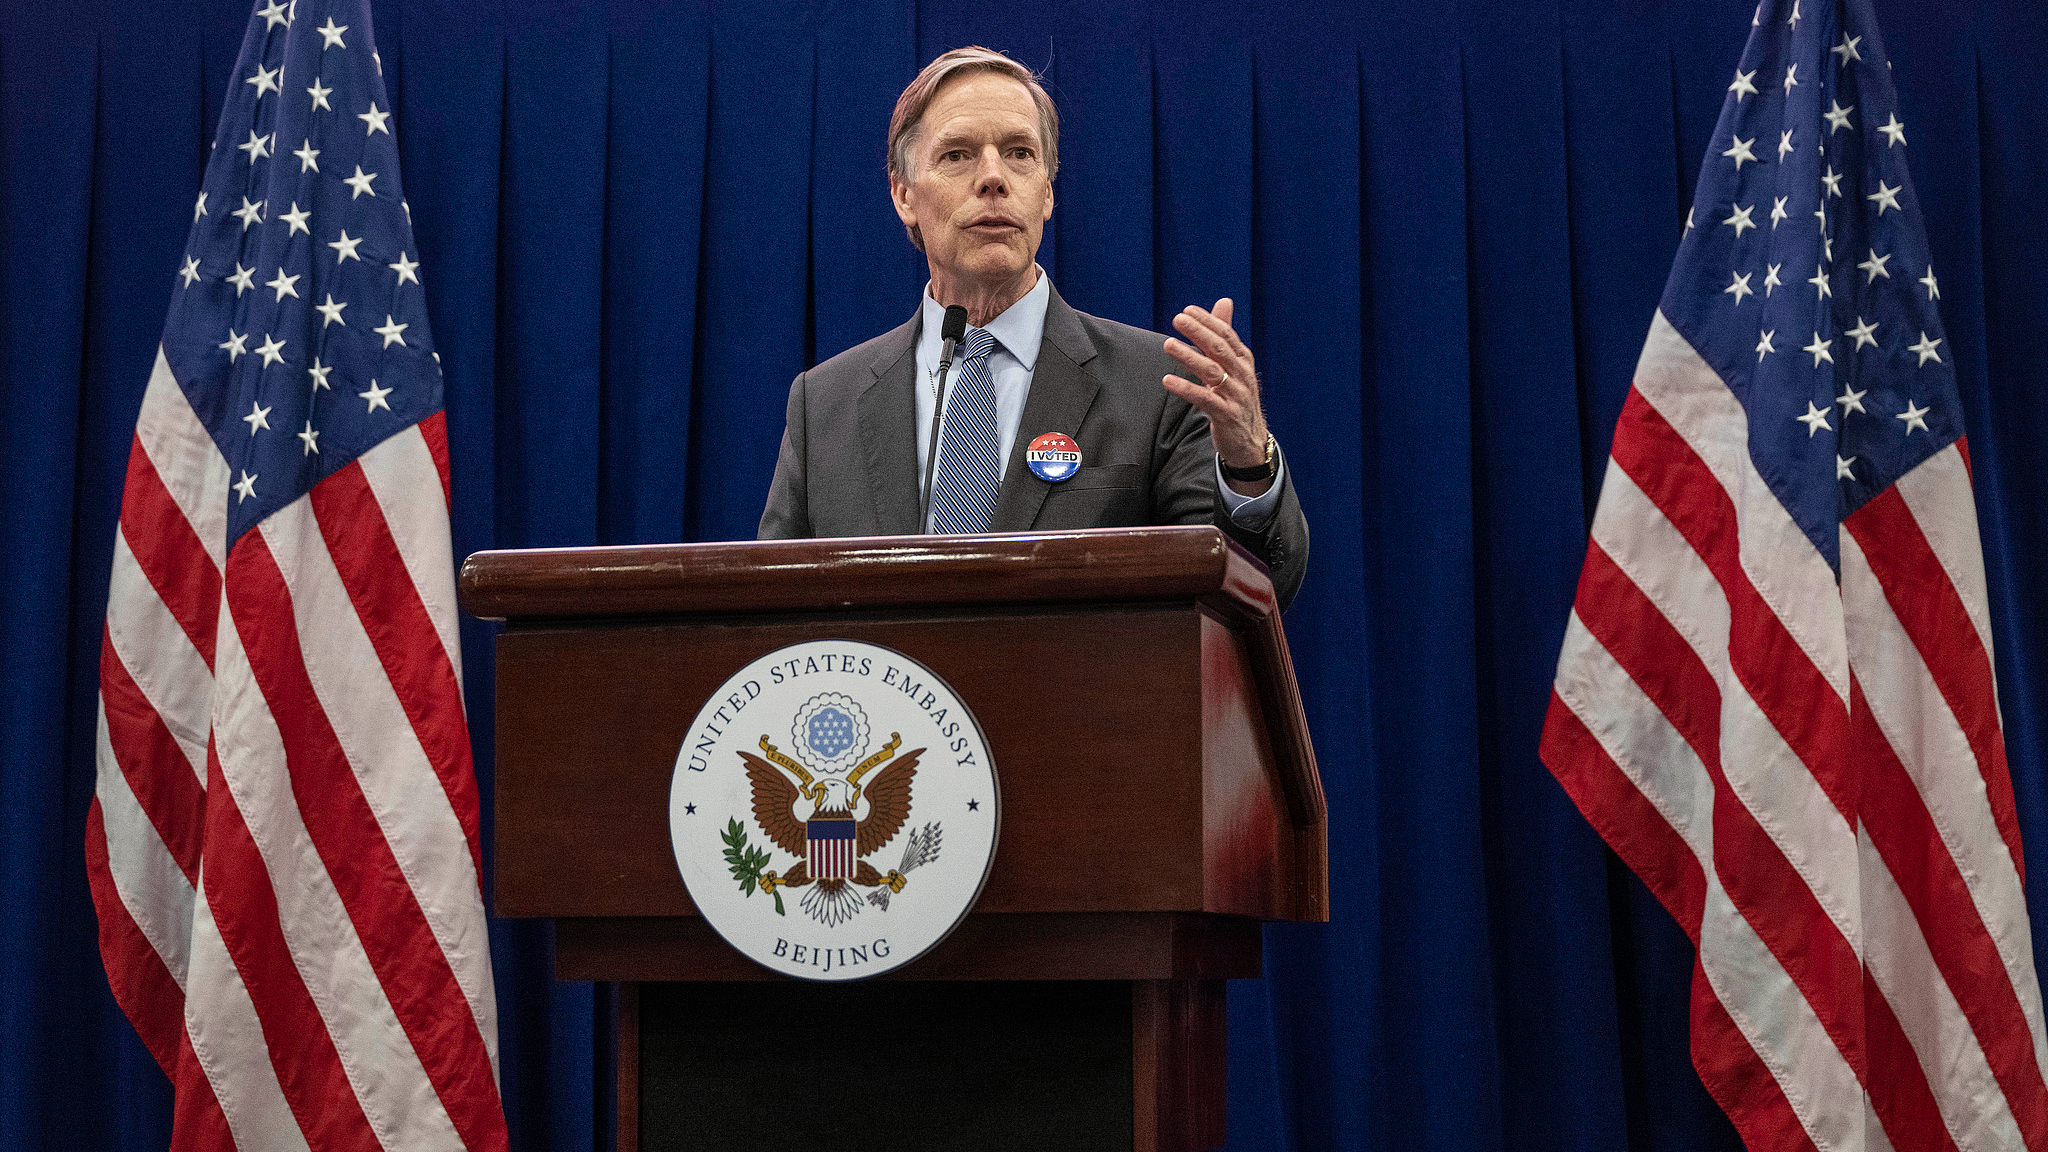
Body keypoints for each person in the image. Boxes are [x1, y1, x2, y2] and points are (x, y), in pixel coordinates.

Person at [758, 46, 1308, 609]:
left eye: (1019, 153)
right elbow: (771, 615)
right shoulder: (822, 404)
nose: (993, 177)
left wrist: (1247, 467)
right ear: (904, 195)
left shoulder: (1163, 388)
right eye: (957, 156)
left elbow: (1242, 598)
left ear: (1046, 191)